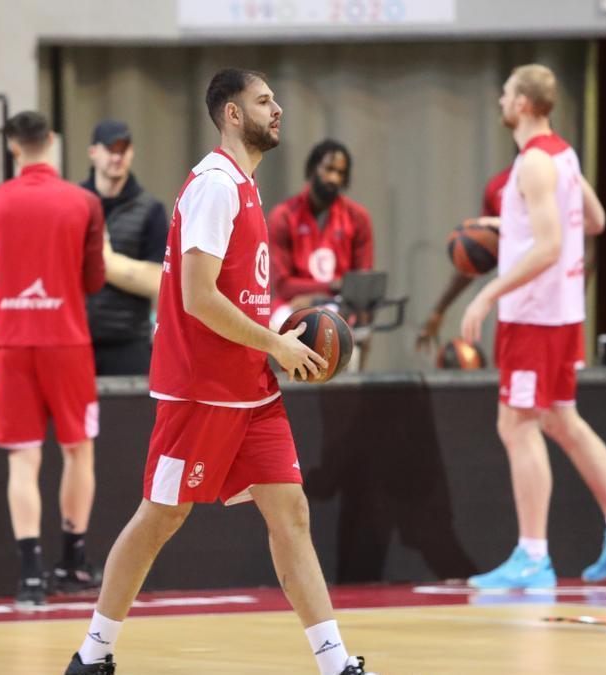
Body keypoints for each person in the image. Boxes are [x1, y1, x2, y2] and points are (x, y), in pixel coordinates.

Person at [64, 68, 376, 675]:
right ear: (233, 114)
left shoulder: (247, 186)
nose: (277, 109)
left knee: (291, 514)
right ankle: (92, 655)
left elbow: (246, 291)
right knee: (161, 516)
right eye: (264, 101)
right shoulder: (214, 184)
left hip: (250, 390)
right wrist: (275, 347)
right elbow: (197, 297)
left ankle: (335, 664)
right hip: (199, 389)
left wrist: (284, 327)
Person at [459, 64, 606, 589]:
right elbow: (594, 221)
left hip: (534, 314)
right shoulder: (563, 155)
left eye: (506, 93)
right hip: (566, 311)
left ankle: (533, 554)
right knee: (561, 421)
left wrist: (487, 293)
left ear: (523, 103)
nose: (500, 100)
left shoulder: (532, 165)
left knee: (517, 425)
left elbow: (549, 246)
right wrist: (516, 225)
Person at [0, 111, 107, 606]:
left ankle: (29, 575)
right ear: (50, 141)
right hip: (67, 341)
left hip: (14, 341)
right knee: (77, 451)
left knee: (23, 459)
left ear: (13, 148)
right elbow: (93, 281)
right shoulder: (84, 201)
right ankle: (73, 561)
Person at [81, 120, 169, 376]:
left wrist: (101, 261)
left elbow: (156, 281)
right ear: (93, 153)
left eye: (124, 149)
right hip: (78, 341)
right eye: (111, 149)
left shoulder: (151, 210)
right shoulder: (73, 203)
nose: (117, 157)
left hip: (129, 341)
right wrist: (120, 267)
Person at [267, 139, 373, 321]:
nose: (333, 178)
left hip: (341, 304)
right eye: (328, 169)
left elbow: (360, 283)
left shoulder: (358, 217)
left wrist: (322, 297)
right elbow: (282, 285)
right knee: (280, 322)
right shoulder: (283, 216)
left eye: (340, 172)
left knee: (334, 325)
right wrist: (333, 286)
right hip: (292, 303)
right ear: (312, 169)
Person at [415, 166, 508, 352]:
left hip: (553, 308)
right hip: (514, 309)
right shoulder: (498, 185)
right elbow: (476, 255)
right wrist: (439, 309)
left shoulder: (557, 164)